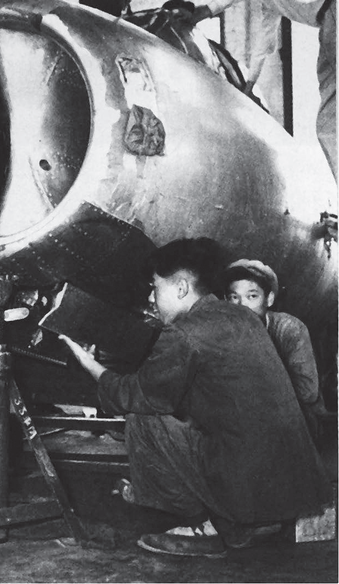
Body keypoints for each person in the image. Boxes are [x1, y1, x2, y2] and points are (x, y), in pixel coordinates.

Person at [60, 238, 332, 558]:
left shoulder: (185, 332)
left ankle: (202, 529)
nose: (151, 298)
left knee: (144, 418)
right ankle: (248, 523)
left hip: (252, 483)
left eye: (155, 288)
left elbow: (137, 396)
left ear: (181, 288)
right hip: (294, 484)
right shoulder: (241, 317)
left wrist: (90, 365)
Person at [190, 0, 337, 179]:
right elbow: (263, 43)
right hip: (328, 23)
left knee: (331, 125)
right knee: (329, 124)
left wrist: (206, 10)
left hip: (333, 13)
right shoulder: (269, 5)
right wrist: (249, 86)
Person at [222, 259, 329, 446]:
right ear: (225, 301)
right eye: (234, 297)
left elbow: (307, 391)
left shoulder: (290, 329)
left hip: (298, 419)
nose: (242, 306)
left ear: (269, 299)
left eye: (252, 296)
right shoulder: (223, 333)